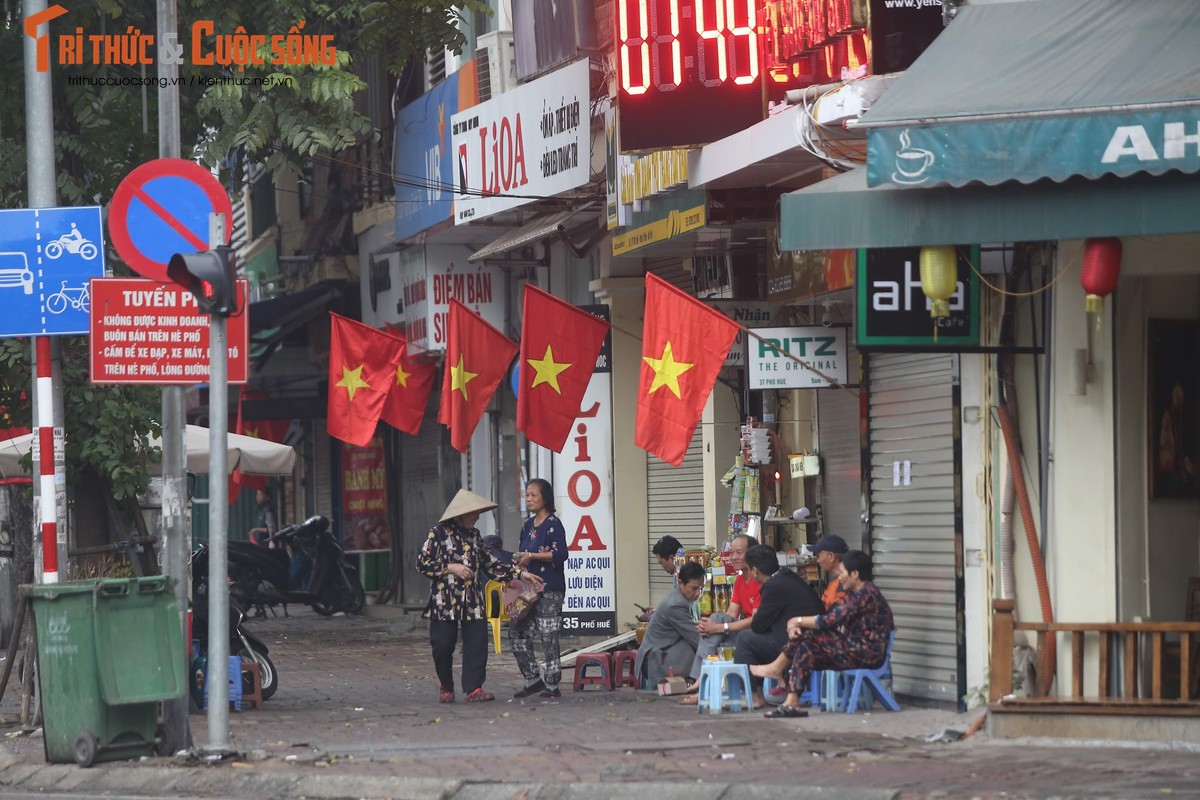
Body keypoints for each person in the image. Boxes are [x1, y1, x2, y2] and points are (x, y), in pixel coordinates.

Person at [416, 488, 544, 704]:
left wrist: (521, 574)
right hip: (444, 601)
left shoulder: (475, 536)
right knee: (442, 645)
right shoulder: (437, 533)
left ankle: (474, 688)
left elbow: (491, 564)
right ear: (461, 514)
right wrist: (451, 567)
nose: (476, 517)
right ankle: (446, 685)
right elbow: (422, 563)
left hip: (472, 600)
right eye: (474, 513)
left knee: (476, 644)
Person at [753, 550, 895, 719]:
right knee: (807, 646)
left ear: (855, 574)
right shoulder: (855, 594)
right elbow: (830, 621)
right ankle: (791, 700)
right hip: (854, 648)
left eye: (842, 572)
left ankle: (778, 670)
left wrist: (796, 621)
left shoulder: (867, 594)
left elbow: (829, 620)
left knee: (808, 639)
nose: (840, 577)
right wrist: (797, 625)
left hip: (868, 653)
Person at [734, 543, 823, 709]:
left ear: (754, 571)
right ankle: (761, 692)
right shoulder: (788, 578)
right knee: (754, 639)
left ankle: (754, 696)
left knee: (745, 639)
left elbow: (758, 625)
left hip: (800, 644)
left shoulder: (773, 586)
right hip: (811, 639)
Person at [679, 533, 761, 705]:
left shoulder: (759, 579)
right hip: (743, 633)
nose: (733, 557)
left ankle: (700, 681)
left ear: (752, 554)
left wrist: (718, 628)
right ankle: (702, 681)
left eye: (739, 552)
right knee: (714, 620)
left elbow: (756, 620)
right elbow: (731, 614)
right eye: (731, 553)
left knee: (715, 622)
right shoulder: (739, 579)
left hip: (757, 634)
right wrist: (712, 626)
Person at [512, 478, 569, 700]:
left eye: (533, 495)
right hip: (526, 590)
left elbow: (561, 554)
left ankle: (553, 684)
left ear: (545, 498)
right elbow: (521, 553)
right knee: (516, 632)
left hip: (549, 590)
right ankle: (533, 679)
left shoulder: (554, 524)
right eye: (527, 495)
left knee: (548, 636)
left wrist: (532, 556)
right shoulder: (527, 525)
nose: (529, 499)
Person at [634, 561, 706, 688]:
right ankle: (695, 684)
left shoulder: (684, 598)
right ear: (680, 583)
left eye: (701, 588)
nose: (698, 593)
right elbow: (695, 637)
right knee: (696, 648)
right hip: (654, 658)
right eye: (694, 588)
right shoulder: (676, 604)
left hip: (665, 649)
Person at [811, 535, 850, 610]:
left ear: (831, 556)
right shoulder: (834, 583)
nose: (817, 561)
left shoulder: (846, 584)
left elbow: (835, 617)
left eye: (818, 556)